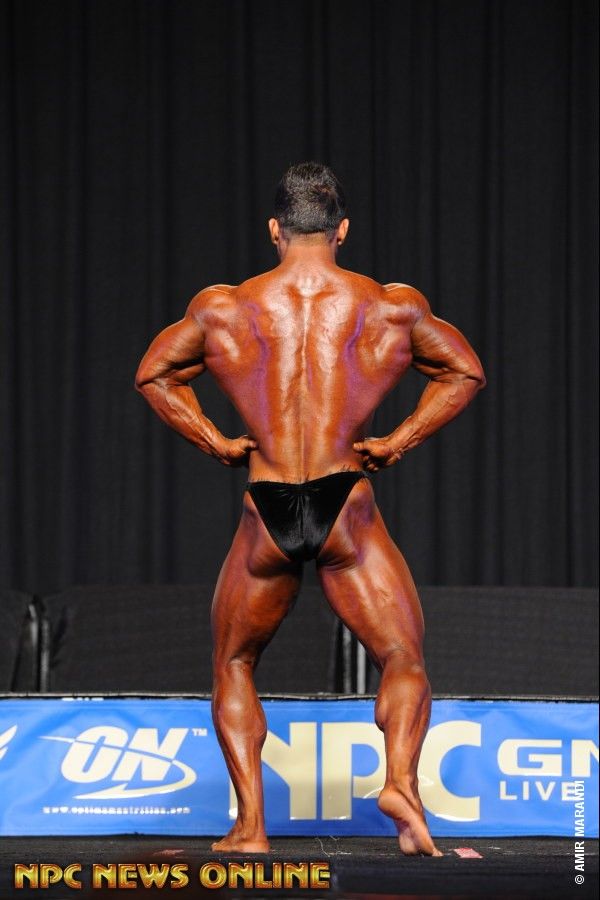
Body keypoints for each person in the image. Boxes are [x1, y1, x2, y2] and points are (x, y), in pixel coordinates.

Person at [135, 162, 485, 856]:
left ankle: (250, 829)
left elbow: (154, 374)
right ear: (341, 230)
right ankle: (401, 786)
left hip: (265, 504)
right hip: (344, 496)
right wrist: (398, 441)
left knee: (234, 662)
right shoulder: (389, 306)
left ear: (274, 229)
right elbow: (465, 370)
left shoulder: (223, 308)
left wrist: (215, 441)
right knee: (401, 655)